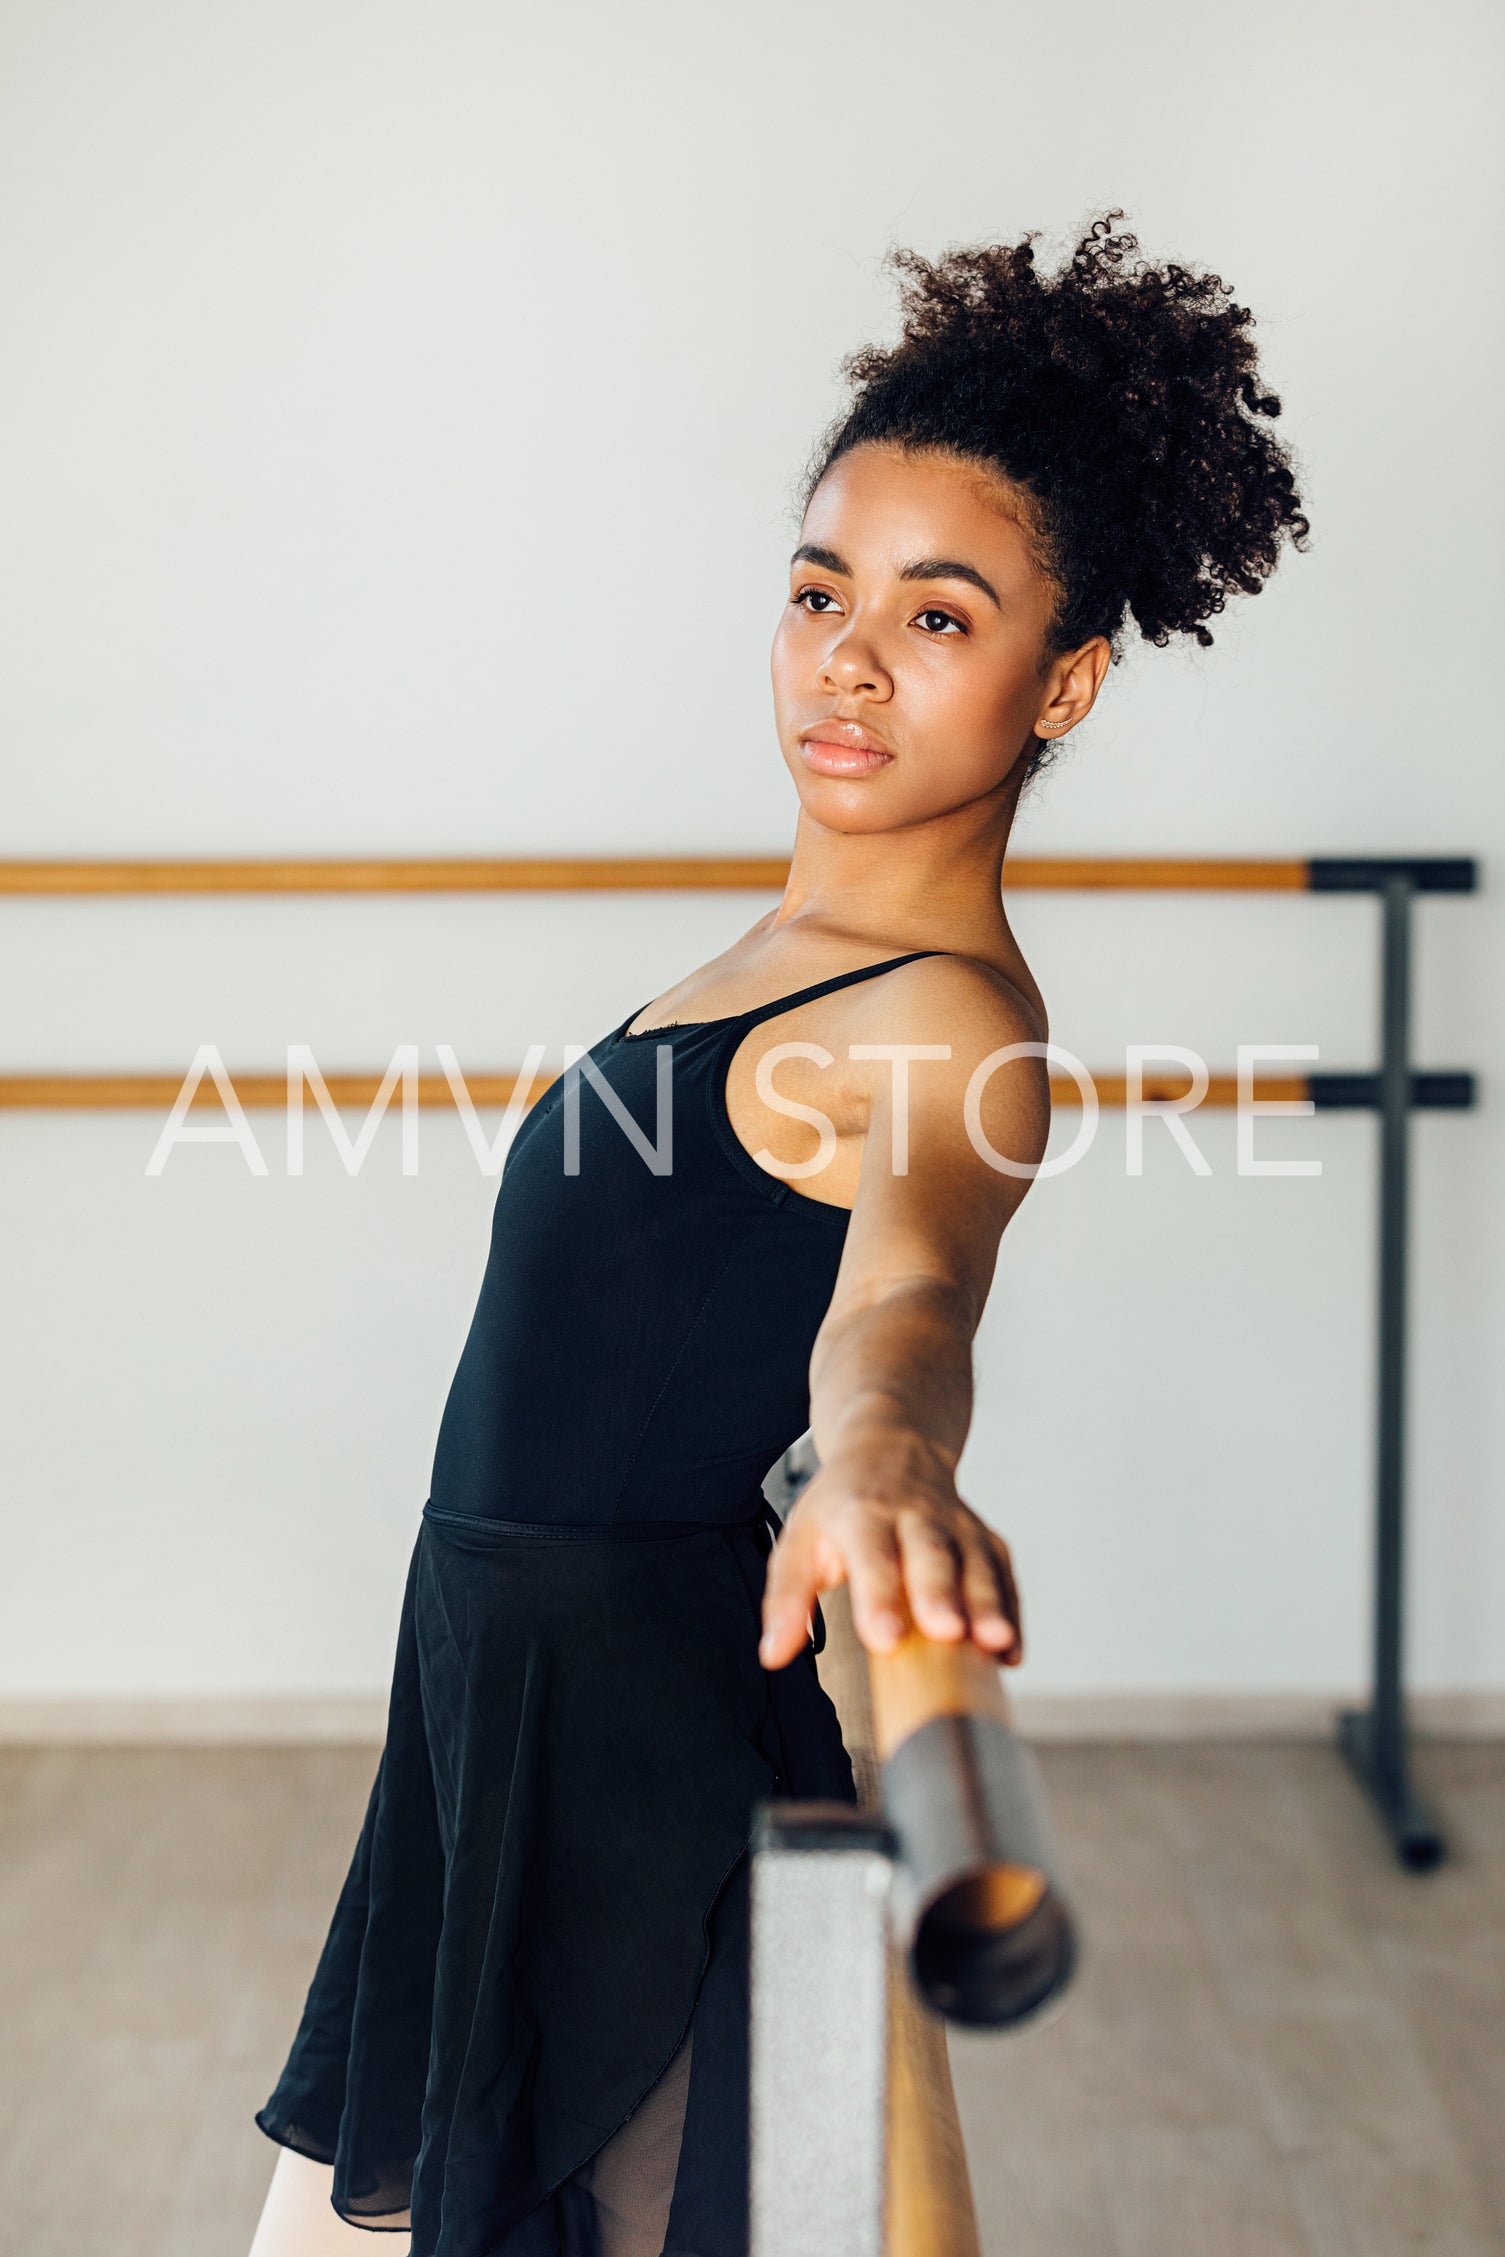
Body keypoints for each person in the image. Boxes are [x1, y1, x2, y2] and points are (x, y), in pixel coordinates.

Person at [248, 214, 1307, 2257]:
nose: (846, 655)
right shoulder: (786, 948)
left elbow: (906, 1292)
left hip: (641, 1782)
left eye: (937, 615)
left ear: (1063, 677)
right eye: (823, 589)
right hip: (505, 1748)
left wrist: (895, 1447)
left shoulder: (945, 1015)